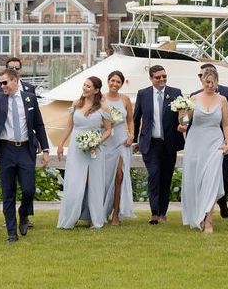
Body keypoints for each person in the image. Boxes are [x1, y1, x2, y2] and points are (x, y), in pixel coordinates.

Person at [0, 68, 50, 243]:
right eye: (0, 83)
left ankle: (24, 213)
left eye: (5, 83)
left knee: (28, 189)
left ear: (15, 81)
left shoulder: (30, 98)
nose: (2, 86)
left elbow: (39, 125)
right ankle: (12, 232)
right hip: (5, 149)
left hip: (26, 149)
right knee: (8, 192)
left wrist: (47, 149)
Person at [179, 66, 228, 233]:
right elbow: (185, 122)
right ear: (202, 81)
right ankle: (199, 216)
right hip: (195, 142)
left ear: (217, 83)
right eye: (207, 81)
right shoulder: (193, 99)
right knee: (197, 181)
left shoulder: (222, 100)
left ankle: (209, 220)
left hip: (215, 143)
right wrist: (181, 114)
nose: (210, 85)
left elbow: (225, 124)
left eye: (213, 82)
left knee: (212, 180)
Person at [56, 76, 113, 229]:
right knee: (74, 181)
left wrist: (97, 142)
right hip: (76, 146)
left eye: (88, 86)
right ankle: (70, 217)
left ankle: (94, 218)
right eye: (84, 85)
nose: (85, 88)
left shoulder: (103, 107)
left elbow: (109, 130)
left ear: (96, 90)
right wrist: (61, 144)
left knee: (95, 182)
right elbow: (69, 126)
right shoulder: (76, 104)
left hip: (94, 148)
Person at [132, 64, 183, 224]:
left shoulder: (175, 93)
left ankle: (162, 212)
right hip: (150, 144)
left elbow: (182, 115)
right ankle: (154, 212)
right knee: (154, 174)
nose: (162, 79)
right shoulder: (143, 94)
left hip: (169, 143)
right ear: (151, 78)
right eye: (158, 77)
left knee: (166, 178)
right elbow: (136, 118)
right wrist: (134, 140)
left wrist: (183, 125)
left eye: (164, 76)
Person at [191, 62, 228, 218]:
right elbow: (188, 121)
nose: (208, 82)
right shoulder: (194, 96)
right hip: (200, 143)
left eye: (210, 78)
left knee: (224, 179)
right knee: (204, 179)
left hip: (219, 143)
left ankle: (222, 201)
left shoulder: (227, 94)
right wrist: (182, 124)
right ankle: (206, 216)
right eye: (202, 77)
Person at [102, 70, 135, 225]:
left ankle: (116, 213)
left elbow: (130, 120)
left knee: (119, 176)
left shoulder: (126, 99)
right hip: (105, 141)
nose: (115, 84)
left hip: (121, 141)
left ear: (121, 84)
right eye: (112, 81)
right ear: (108, 81)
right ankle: (100, 211)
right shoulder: (100, 98)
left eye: (118, 82)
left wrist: (132, 135)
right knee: (103, 178)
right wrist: (107, 124)